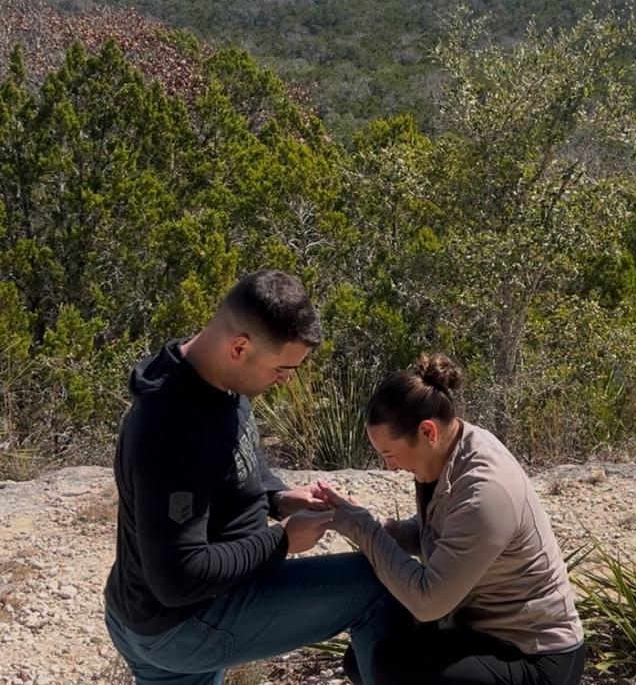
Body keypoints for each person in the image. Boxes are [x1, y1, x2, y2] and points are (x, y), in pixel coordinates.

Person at [103, 269, 405, 685]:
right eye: (281, 367)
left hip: (148, 618)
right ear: (239, 347)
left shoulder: (210, 373)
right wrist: (282, 540)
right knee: (377, 586)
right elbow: (179, 578)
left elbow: (235, 456)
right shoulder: (172, 430)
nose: (285, 380)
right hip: (184, 624)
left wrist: (279, 498)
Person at [314, 353, 585, 685]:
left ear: (427, 431)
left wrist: (364, 529)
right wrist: (389, 530)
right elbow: (440, 534)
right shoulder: (446, 451)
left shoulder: (485, 490)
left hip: (534, 657)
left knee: (392, 667)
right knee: (363, 658)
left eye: (389, 454)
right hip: (478, 632)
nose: (390, 467)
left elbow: (429, 602)